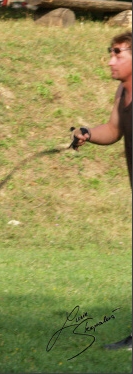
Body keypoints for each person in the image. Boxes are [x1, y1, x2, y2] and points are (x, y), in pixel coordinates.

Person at [71, 31, 132, 351]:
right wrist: (88, 133)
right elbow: (114, 130)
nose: (111, 61)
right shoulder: (123, 91)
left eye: (119, 54)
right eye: (111, 53)